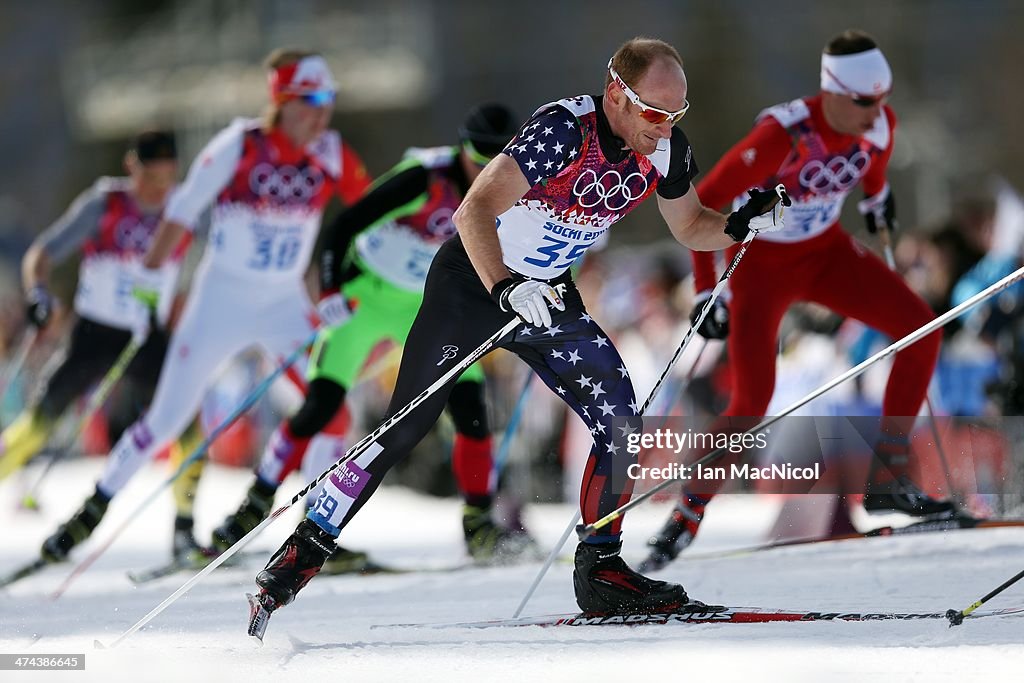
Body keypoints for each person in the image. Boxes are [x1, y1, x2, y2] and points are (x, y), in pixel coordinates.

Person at [247, 36, 787, 634]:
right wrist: (506, 286)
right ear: (615, 93)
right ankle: (299, 554)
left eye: (675, 113)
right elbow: (472, 210)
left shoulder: (664, 149)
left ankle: (602, 571)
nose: (664, 127)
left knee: (620, 416)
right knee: (405, 427)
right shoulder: (564, 130)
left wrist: (739, 224)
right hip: (474, 286)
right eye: (653, 112)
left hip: (548, 296)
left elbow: (689, 225)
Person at [32, 48, 372, 566]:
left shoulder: (331, 152)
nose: (322, 113)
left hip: (284, 302)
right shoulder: (240, 144)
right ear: (282, 102)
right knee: (166, 421)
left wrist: (343, 286)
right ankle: (89, 513)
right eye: (311, 100)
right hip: (221, 301)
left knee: (334, 411)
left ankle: (312, 535)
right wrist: (149, 279)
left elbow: (370, 214)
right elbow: (183, 210)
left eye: (329, 99)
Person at [642, 29, 956, 572]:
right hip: (759, 267)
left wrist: (879, 199)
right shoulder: (780, 137)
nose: (875, 112)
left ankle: (887, 479)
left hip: (827, 255)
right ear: (832, 90)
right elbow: (703, 203)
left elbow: (875, 171)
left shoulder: (879, 124)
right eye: (863, 101)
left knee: (922, 329)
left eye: (881, 99)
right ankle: (687, 513)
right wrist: (705, 290)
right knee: (752, 400)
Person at [210, 103, 539, 569]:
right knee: (321, 404)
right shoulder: (425, 178)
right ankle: (252, 506)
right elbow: (345, 225)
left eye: (495, 161)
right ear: (461, 148)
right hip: (367, 297)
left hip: (426, 306)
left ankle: (479, 524)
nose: (484, 171)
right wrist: (330, 288)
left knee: (470, 406)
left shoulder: (517, 184)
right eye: (477, 159)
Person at [0, 131, 210, 555]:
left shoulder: (184, 206)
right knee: (38, 424)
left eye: (167, 177)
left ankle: (184, 530)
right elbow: (42, 253)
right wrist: (39, 294)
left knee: (188, 426)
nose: (159, 189)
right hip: (95, 334)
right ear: (132, 167)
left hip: (148, 337)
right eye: (151, 178)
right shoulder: (105, 203)